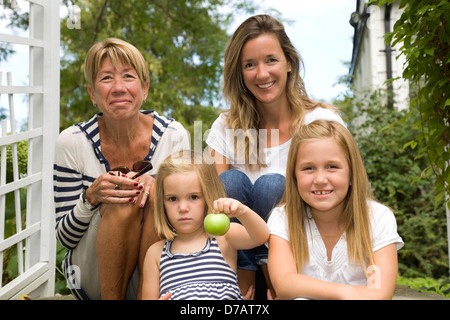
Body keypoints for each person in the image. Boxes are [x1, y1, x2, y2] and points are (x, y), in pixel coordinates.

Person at [206, 14, 345, 298]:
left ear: (289, 62)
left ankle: (277, 285)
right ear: (239, 73)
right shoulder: (225, 126)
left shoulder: (321, 122)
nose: (262, 74)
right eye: (249, 65)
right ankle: (238, 288)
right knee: (229, 182)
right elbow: (213, 201)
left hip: (298, 255)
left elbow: (345, 187)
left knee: (272, 186)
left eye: (271, 60)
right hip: (233, 261)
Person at [53, 38, 190, 300]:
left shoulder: (173, 136)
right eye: (106, 78)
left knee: (154, 192)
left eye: (128, 76)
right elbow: (64, 239)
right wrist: (91, 197)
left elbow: (187, 221)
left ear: (145, 88)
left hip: (159, 276)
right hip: (93, 276)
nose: (118, 88)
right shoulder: (71, 142)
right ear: (93, 94)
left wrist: (161, 191)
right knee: (122, 197)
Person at [267, 120, 404, 299]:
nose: (320, 179)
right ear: (294, 177)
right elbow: (285, 284)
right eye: (308, 168)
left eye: (332, 167)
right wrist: (344, 292)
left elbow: (380, 293)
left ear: (352, 174)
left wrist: (303, 287)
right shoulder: (282, 218)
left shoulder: (377, 218)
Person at [141, 150, 269, 300]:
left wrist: (242, 211)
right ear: (162, 203)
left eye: (193, 197)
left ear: (208, 196)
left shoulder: (224, 238)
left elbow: (261, 236)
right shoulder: (155, 253)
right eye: (172, 198)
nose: (183, 208)